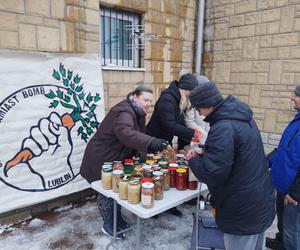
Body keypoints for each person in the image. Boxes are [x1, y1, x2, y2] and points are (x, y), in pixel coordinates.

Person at [186, 80, 275, 250]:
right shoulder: (240, 117)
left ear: (209, 104)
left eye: (198, 108)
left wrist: (193, 160)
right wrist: (206, 151)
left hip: (242, 209)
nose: (199, 113)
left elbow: (212, 173)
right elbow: (236, 151)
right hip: (259, 201)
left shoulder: (223, 127)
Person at [80, 85, 167, 239]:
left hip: (113, 157)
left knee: (114, 190)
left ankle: (117, 219)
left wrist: (141, 149)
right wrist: (150, 142)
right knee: (106, 193)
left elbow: (137, 134)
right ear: (135, 97)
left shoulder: (138, 112)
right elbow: (125, 132)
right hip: (101, 158)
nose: (148, 104)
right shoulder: (124, 112)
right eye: (145, 100)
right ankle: (109, 225)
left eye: (150, 101)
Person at [266, 85, 300, 250]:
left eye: (297, 95)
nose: (292, 98)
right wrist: (265, 161)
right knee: (282, 223)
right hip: (283, 184)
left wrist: (295, 193)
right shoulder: (297, 119)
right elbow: (284, 149)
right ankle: (280, 243)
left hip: (293, 192)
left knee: (291, 231)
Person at [147, 73, 199, 151]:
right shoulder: (167, 100)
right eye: (191, 91)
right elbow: (169, 125)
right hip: (154, 140)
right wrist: (192, 133)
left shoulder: (178, 99)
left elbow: (180, 123)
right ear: (185, 90)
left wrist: (185, 144)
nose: (192, 95)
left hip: (164, 140)